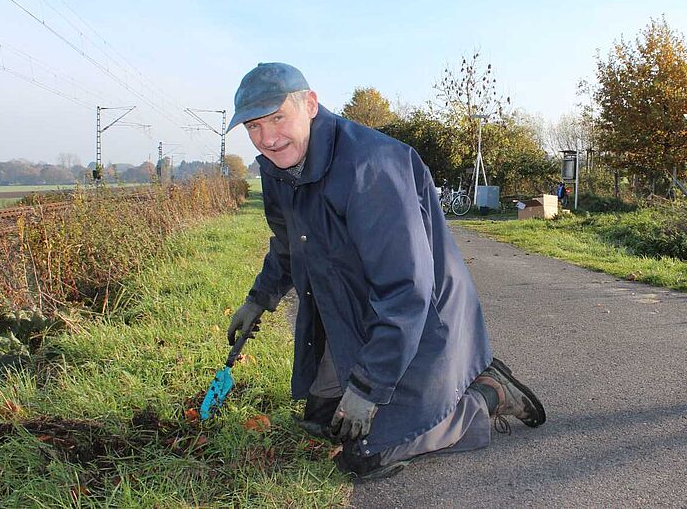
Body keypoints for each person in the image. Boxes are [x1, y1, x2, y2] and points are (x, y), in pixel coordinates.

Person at [225, 62, 545, 480]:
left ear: (311, 104)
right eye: (253, 126)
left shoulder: (369, 167)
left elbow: (406, 289)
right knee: (325, 420)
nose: (267, 138)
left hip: (423, 316)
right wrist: (258, 299)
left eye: (277, 118)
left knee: (365, 455)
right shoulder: (277, 168)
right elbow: (289, 244)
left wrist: (369, 388)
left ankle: (485, 396)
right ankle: (433, 387)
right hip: (358, 307)